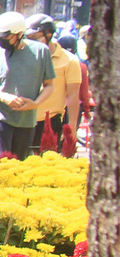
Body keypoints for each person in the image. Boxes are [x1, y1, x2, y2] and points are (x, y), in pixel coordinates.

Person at [0, 11, 53, 159]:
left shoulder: (41, 51)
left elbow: (49, 85)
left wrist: (35, 104)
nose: (1, 41)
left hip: (27, 120)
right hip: (0, 117)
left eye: (6, 37)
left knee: (20, 165)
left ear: (20, 33)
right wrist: (3, 97)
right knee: (1, 162)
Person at [27, 15, 83, 156]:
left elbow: (73, 96)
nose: (30, 41)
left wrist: (72, 125)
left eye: (34, 37)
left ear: (49, 34)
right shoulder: (25, 55)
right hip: (22, 119)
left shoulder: (69, 60)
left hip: (49, 122)